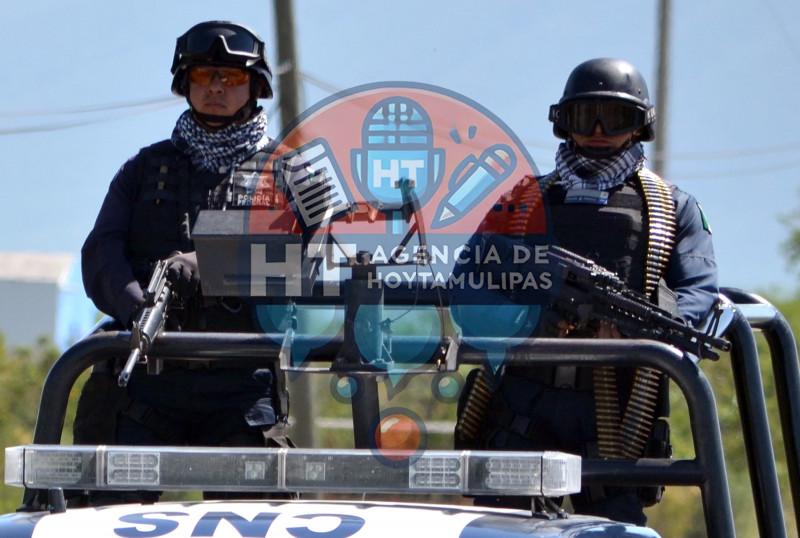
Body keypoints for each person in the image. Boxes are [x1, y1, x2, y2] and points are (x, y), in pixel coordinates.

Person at [454, 58, 717, 525]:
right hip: (522, 399)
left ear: (638, 126)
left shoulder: (671, 207)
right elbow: (469, 286)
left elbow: (698, 294)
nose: (597, 131)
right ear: (563, 123)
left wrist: (640, 336)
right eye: (584, 117)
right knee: (500, 529)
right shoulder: (522, 200)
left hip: (616, 407)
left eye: (613, 118)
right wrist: (534, 322)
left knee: (617, 525)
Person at [74, 20, 286, 504]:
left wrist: (208, 264)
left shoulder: (290, 172)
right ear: (184, 84)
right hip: (147, 374)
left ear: (254, 87)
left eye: (230, 79)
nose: (215, 88)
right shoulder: (143, 168)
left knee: (252, 524)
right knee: (101, 517)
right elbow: (101, 252)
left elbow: (309, 259)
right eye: (204, 76)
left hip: (242, 382)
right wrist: (135, 305)